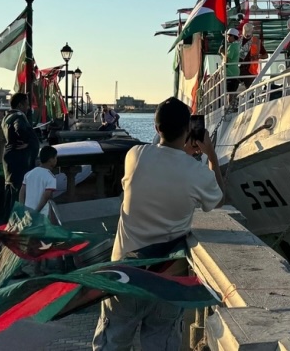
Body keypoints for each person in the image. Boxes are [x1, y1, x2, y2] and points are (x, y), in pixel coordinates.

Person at [92, 97, 223, 351]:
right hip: (168, 278)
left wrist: (179, 152)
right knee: (161, 343)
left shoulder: (134, 155)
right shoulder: (196, 172)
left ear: (156, 128)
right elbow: (218, 199)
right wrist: (211, 156)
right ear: (188, 130)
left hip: (126, 274)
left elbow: (161, 161)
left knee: (112, 343)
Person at [2, 93, 40, 204]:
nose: (28, 107)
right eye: (26, 104)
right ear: (20, 105)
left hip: (9, 156)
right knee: (18, 192)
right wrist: (28, 142)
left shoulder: (6, 117)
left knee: (9, 189)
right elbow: (19, 128)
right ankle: (16, 214)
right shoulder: (18, 116)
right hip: (18, 159)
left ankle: (8, 213)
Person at [19, 145, 57, 219]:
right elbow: (46, 197)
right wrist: (36, 212)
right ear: (50, 160)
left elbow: (21, 193)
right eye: (55, 158)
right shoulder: (51, 177)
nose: (56, 160)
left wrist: (22, 208)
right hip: (41, 215)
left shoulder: (29, 174)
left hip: (27, 213)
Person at [239, 23, 261, 88]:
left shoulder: (256, 41)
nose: (247, 35)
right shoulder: (238, 42)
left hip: (251, 71)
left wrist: (257, 56)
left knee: (250, 89)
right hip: (240, 69)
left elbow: (265, 55)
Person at [224, 27, 241, 94]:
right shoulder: (237, 45)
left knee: (229, 93)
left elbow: (227, 59)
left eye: (228, 36)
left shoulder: (232, 46)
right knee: (232, 92)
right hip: (234, 72)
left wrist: (222, 52)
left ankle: (230, 101)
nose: (227, 38)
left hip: (230, 72)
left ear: (232, 37)